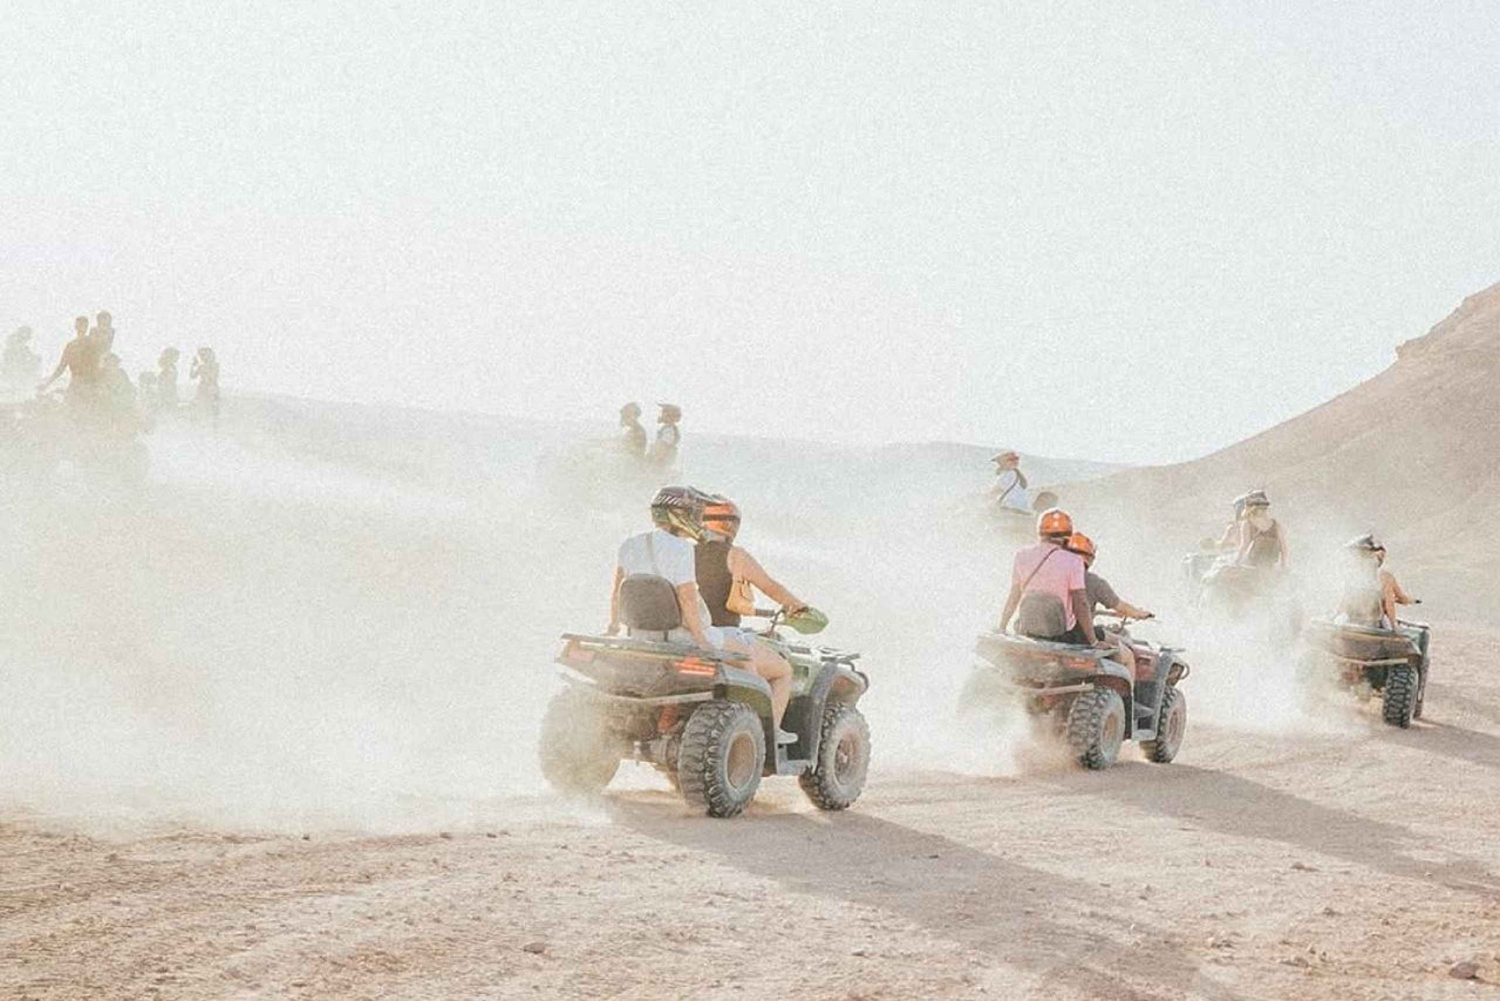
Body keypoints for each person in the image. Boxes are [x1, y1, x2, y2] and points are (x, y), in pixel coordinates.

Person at [608, 486, 797, 743]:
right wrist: (701, 639)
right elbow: (687, 598)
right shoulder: (682, 549)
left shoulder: (629, 545)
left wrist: (612, 625)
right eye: (695, 512)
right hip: (684, 636)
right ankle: (756, 732)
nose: (699, 518)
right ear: (680, 515)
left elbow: (618, 592)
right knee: (748, 660)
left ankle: (673, 718)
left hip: (639, 634)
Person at [999, 508, 1098, 646]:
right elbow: (1080, 603)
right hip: (1061, 635)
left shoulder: (1021, 555)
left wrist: (1002, 626)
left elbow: (1014, 595)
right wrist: (1093, 641)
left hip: (1027, 629)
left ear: (1040, 532)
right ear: (1067, 536)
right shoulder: (1074, 560)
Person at [1066, 533, 1153, 621]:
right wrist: (1139, 613)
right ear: (1089, 558)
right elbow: (1119, 606)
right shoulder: (1093, 582)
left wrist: (1109, 613)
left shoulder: (1054, 575)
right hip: (1077, 633)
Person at [1338, 534, 1417, 630]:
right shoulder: (1385, 577)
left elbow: (1345, 601)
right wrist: (1394, 625)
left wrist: (1338, 615)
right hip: (1372, 622)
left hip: (1352, 619)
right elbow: (1390, 603)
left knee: (1340, 619)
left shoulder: (1353, 574)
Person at [38, 316, 99, 401]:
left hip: (88, 383)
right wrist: (47, 383)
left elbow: (97, 364)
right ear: (75, 326)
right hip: (76, 382)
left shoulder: (92, 343)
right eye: (79, 325)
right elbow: (61, 367)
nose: (80, 328)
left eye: (82, 325)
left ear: (86, 326)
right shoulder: (71, 345)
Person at [1233, 490, 1288, 569]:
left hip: (1253, 564)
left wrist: (1236, 562)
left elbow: (1244, 545)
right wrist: (1283, 565)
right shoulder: (1276, 526)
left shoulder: (1248, 524)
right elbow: (1284, 548)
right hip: (1269, 566)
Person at [646, 403, 681, 467]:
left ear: (668, 416)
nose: (660, 415)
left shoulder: (668, 430)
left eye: (663, 413)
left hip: (659, 466)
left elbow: (663, 448)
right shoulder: (668, 428)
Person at [191, 346, 220, 420]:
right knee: (201, 405)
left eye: (204, 355)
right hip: (202, 387)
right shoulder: (201, 366)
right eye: (201, 355)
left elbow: (212, 377)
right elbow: (192, 376)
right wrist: (193, 365)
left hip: (211, 387)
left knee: (212, 406)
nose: (202, 357)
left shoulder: (215, 365)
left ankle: (213, 421)